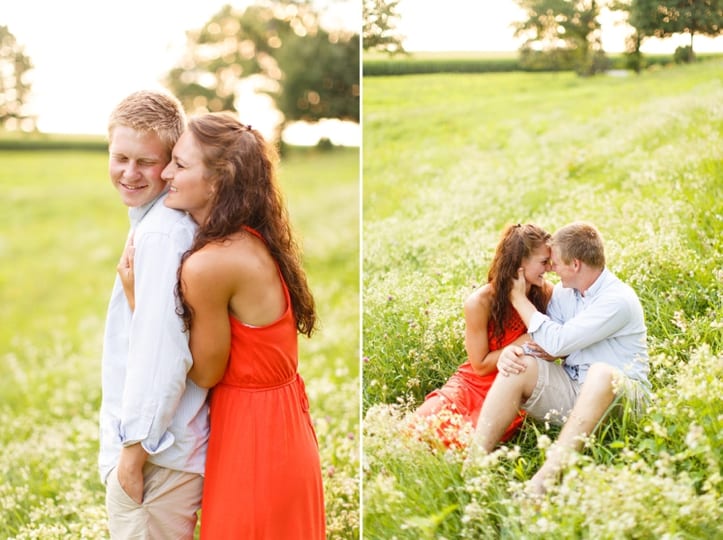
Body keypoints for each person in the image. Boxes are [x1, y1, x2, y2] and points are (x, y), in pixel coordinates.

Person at [123, 111, 326, 537]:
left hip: (252, 436)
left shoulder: (209, 265)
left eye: (180, 164)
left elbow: (206, 370)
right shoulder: (251, 238)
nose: (165, 173)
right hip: (286, 424)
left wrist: (138, 299)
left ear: (218, 179)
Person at [99, 90, 209, 539]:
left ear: (171, 161)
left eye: (145, 161)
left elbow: (162, 352)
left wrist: (133, 454)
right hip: (156, 453)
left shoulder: (162, 234)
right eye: (120, 157)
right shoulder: (152, 225)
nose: (129, 172)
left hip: (156, 458)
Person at [472, 221, 649, 494]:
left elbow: (557, 341)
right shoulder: (564, 294)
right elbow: (545, 343)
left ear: (575, 264)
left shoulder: (617, 300)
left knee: (600, 373)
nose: (550, 268)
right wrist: (512, 353)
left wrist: (520, 300)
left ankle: (541, 486)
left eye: (555, 262)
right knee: (520, 366)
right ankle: (472, 465)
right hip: (574, 390)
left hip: (623, 399)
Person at [411, 223, 554, 448]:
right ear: (519, 263)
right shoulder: (480, 302)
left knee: (466, 442)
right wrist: (525, 342)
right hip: (472, 384)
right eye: (544, 262)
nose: (549, 268)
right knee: (417, 429)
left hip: (513, 381)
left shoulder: (547, 293)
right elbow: (479, 365)